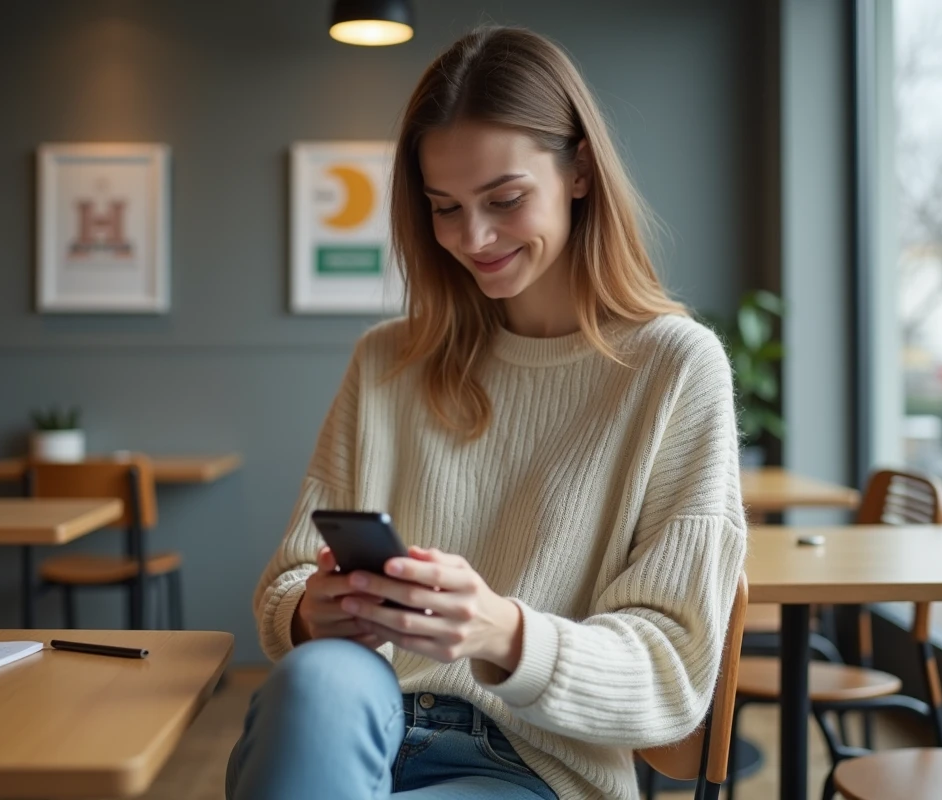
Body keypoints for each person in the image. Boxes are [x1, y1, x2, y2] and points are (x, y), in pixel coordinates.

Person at [226, 25, 747, 800]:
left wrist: (505, 632)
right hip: (355, 720)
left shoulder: (674, 368)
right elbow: (286, 587)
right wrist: (314, 611)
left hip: (530, 765)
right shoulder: (385, 362)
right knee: (317, 682)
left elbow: (673, 673)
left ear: (577, 169)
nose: (473, 238)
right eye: (445, 207)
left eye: (504, 200)